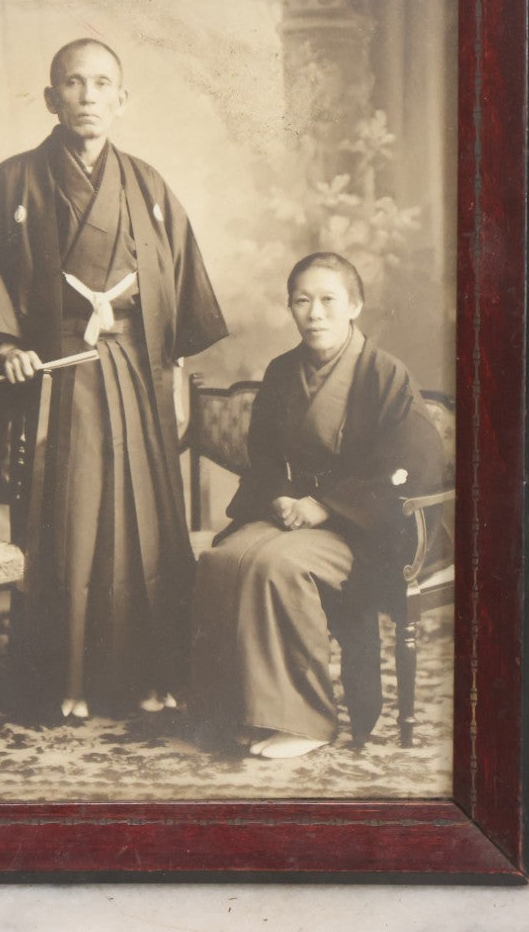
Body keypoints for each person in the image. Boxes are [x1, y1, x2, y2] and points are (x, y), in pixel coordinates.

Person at [0, 38, 227, 721]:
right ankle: (61, 681)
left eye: (102, 83)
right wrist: (5, 347)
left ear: (122, 99)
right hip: (59, 376)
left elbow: (180, 292)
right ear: (51, 98)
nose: (88, 96)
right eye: (73, 84)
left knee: (144, 521)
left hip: (133, 370)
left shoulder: (149, 186)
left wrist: (173, 371)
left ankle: (151, 677)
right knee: (68, 520)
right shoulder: (12, 183)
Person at [189, 252, 444, 758]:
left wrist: (326, 507)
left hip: (370, 525)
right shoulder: (283, 371)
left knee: (276, 565)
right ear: (290, 308)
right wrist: (281, 497)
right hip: (303, 512)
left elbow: (409, 466)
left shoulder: (384, 375)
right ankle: (246, 710)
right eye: (302, 301)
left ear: (355, 306)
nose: (315, 313)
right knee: (224, 560)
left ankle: (306, 722)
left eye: (329, 300)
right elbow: (260, 456)